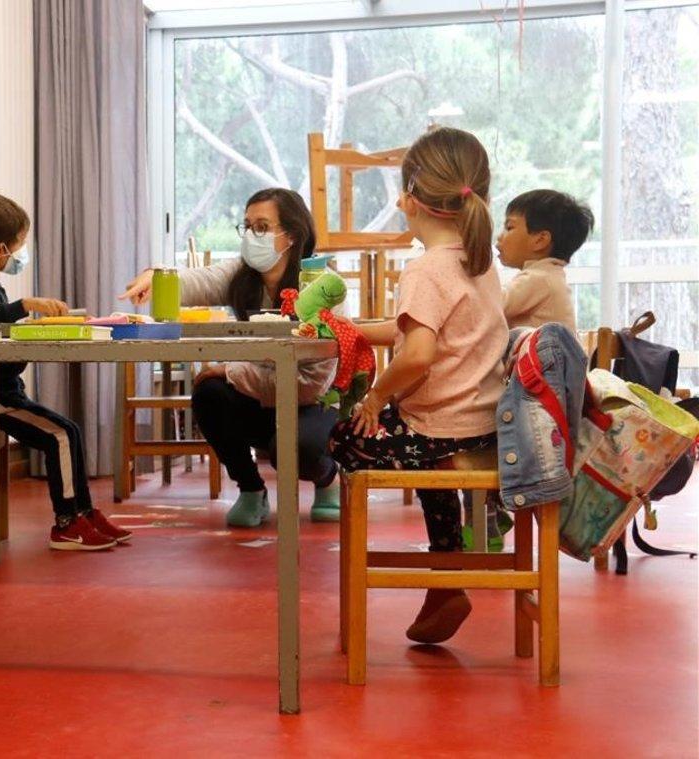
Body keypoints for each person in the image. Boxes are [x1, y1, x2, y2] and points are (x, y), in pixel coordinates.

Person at [328, 127, 507, 645]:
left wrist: (376, 395)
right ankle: (444, 578)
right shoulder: (478, 263)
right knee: (416, 446)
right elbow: (418, 330)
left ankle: (445, 577)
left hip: (439, 429)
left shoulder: (425, 269)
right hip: (480, 422)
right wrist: (354, 328)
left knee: (344, 439)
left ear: (409, 197)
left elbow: (419, 355)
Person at [119, 188, 339, 527]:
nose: (252, 236)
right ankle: (251, 490)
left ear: (292, 235)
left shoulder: (322, 285)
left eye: (262, 227)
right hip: (263, 395)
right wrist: (157, 276)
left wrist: (231, 371)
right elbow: (199, 281)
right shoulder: (243, 275)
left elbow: (313, 383)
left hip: (312, 402)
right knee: (209, 395)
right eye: (247, 226)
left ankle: (328, 480)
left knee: (295, 449)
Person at [0, 192, 131, 551]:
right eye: (20, 244)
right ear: (1, 250)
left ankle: (83, 511)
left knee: (67, 430)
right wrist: (24, 305)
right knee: (59, 436)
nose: (22, 252)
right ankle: (67, 523)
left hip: (6, 393)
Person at [497, 189, 594, 333]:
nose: (499, 236)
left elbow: (491, 307)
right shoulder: (549, 275)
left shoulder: (539, 279)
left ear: (540, 240)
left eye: (509, 227)